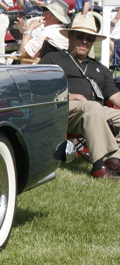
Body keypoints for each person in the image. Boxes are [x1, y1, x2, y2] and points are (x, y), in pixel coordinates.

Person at [39, 13, 120, 180]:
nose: (84, 41)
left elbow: (114, 95)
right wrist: (69, 95)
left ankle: (114, 160)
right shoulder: (53, 59)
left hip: (95, 111)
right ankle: (99, 167)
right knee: (93, 107)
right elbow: (41, 89)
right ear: (70, 37)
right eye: (80, 37)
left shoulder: (99, 68)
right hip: (63, 110)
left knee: (95, 108)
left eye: (89, 39)